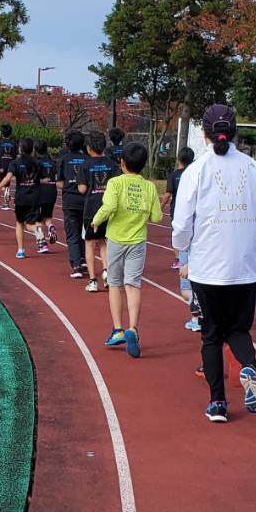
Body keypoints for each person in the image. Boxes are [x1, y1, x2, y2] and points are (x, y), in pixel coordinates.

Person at [171, 104, 256, 423]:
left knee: (212, 334)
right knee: (239, 329)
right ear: (235, 132)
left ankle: (218, 402)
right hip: (243, 268)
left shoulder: (196, 170)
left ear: (203, 134)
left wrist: (182, 249)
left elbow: (181, 222)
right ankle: (247, 366)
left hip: (207, 267)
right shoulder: (255, 170)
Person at [92, 141, 162, 358]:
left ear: (121, 163)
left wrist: (96, 221)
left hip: (116, 239)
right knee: (133, 284)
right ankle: (133, 327)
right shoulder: (149, 187)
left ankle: (117, 329)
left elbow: (110, 206)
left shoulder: (115, 183)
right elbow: (157, 217)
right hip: (137, 241)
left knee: (114, 284)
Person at [78, 130, 118, 291]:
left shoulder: (85, 165)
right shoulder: (112, 164)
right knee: (104, 242)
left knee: (89, 243)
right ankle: (107, 273)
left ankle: (93, 280)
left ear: (88, 148)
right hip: (108, 209)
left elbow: (82, 188)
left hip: (91, 209)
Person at [166, 147, 200, 329]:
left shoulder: (178, 176)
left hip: (187, 229)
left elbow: (169, 195)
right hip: (202, 230)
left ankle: (197, 316)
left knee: (187, 289)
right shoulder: (198, 174)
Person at [0, 137, 46, 258]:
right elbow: (44, 179)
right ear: (32, 149)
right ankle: (36, 230)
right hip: (35, 196)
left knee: (19, 223)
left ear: (20, 149)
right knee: (31, 222)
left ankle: (21, 250)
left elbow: (8, 178)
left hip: (21, 197)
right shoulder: (37, 163)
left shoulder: (15, 163)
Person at [56, 130, 89, 278]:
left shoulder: (63, 159)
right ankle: (83, 260)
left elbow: (60, 183)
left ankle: (76, 265)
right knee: (84, 232)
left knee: (72, 233)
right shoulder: (87, 159)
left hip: (70, 200)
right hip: (86, 201)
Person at [35, 139, 59, 247]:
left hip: (40, 193)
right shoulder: (53, 163)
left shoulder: (36, 163)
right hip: (52, 192)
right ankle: (50, 227)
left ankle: (42, 243)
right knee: (48, 216)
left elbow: (34, 179)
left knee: (37, 219)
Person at [0, 123, 17, 211]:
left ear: (1, 133)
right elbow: (16, 155)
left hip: (2, 165)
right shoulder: (13, 143)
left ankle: (6, 200)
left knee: (2, 183)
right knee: (7, 182)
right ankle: (7, 195)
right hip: (11, 164)